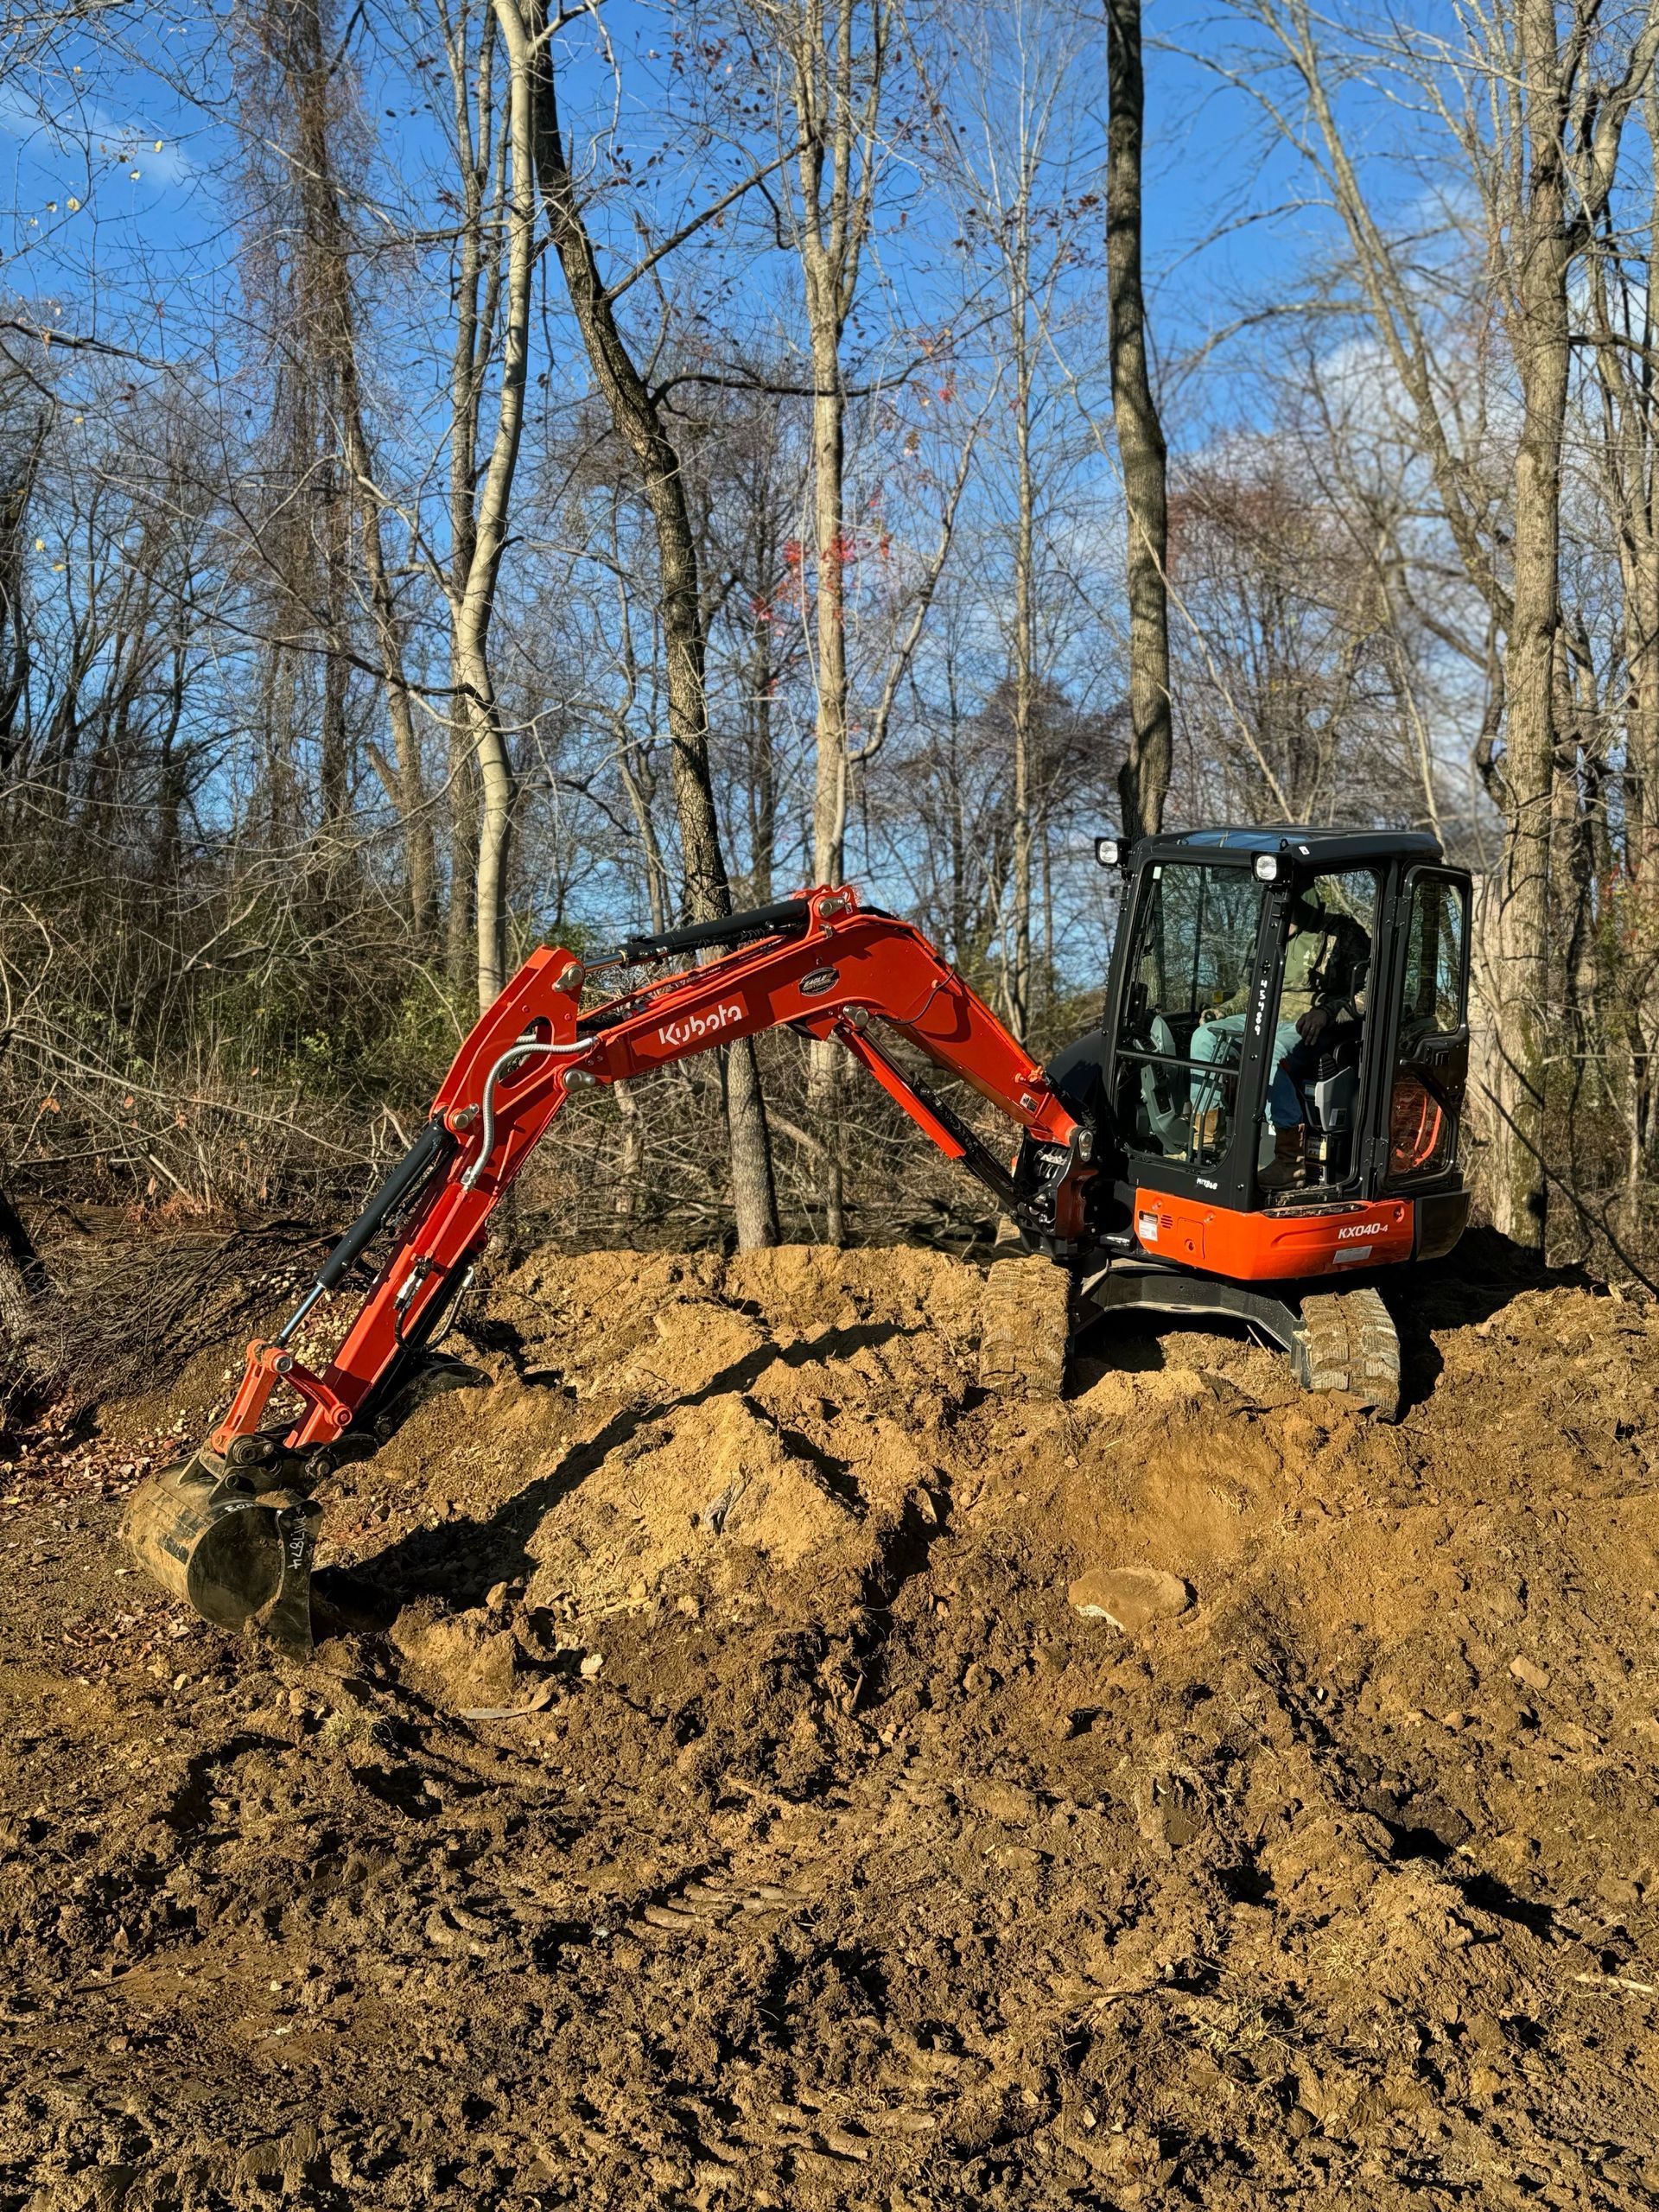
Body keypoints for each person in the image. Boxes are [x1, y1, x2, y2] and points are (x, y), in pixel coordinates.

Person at [1189, 888, 1370, 1191]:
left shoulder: (1343, 934)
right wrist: (1221, 1011)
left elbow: (1366, 995)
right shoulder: (1269, 933)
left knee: (1268, 1051)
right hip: (1263, 1015)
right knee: (1204, 1037)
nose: (1280, 917)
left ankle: (1290, 1161)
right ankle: (1206, 1145)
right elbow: (1250, 992)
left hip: (1308, 1023)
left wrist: (1326, 1012)